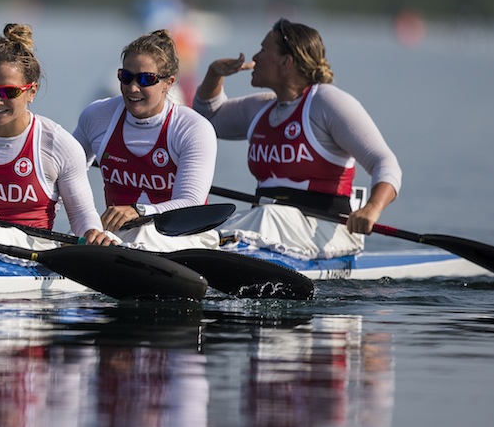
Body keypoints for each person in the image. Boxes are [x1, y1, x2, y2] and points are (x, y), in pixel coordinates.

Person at [193, 18, 401, 258]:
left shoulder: (327, 103)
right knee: (243, 221)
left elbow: (384, 162)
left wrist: (372, 209)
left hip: (326, 232)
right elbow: (206, 120)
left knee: (267, 215)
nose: (255, 57)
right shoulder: (260, 109)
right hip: (269, 231)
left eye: (264, 50)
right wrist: (213, 75)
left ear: (286, 61)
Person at [0, 23, 113, 248]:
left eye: (9, 92)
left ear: (32, 92)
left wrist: (94, 235)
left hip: (30, 255)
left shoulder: (57, 144)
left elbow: (82, 217)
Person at [73, 29, 218, 250]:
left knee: (143, 230)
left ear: (168, 83)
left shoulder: (193, 129)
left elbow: (190, 204)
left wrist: (139, 211)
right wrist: (89, 225)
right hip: (116, 239)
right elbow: (66, 177)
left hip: (184, 236)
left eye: (145, 79)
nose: (132, 88)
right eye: (126, 77)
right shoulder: (97, 117)